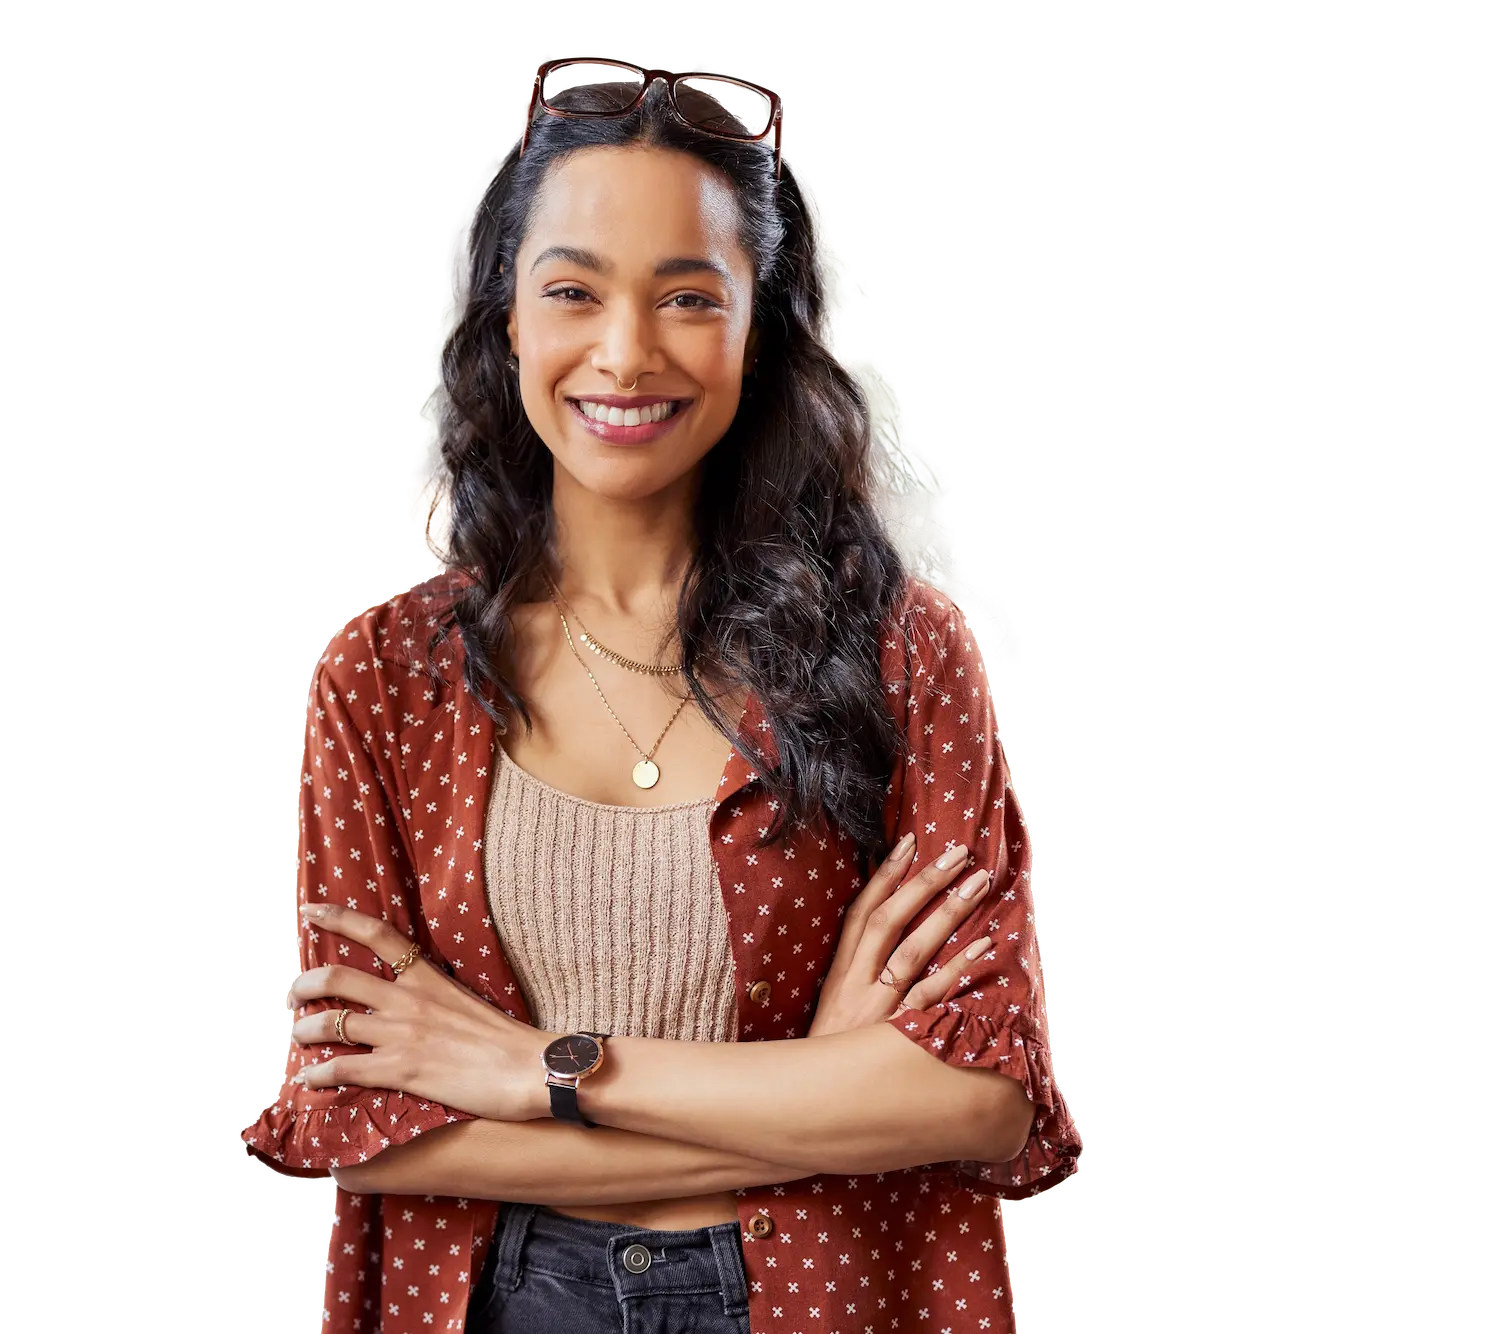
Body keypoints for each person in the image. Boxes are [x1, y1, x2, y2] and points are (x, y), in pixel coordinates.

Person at [239, 59, 1083, 1334]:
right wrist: (822, 1090)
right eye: (572, 290)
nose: (625, 353)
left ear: (760, 328)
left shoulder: (903, 651)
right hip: (497, 1297)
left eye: (689, 296)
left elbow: (983, 1098)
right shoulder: (383, 676)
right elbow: (362, 1126)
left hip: (827, 1300)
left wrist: (539, 1070)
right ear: (507, 319)